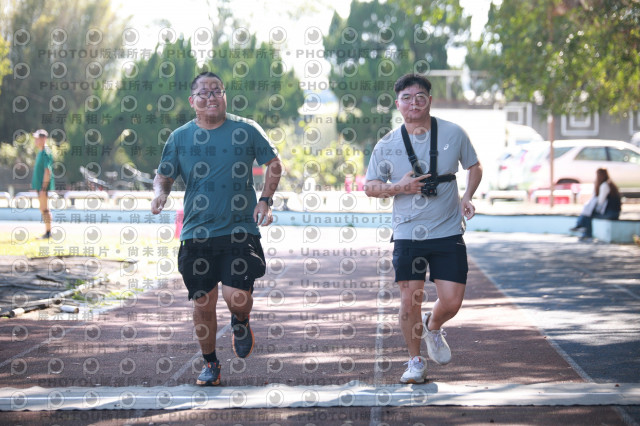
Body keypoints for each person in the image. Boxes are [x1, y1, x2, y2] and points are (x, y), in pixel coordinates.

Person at [151, 71, 282, 386]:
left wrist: (265, 201)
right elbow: (164, 175)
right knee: (203, 302)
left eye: (217, 91)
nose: (211, 97)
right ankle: (210, 363)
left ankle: (241, 320)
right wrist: (160, 194)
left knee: (236, 297)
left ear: (225, 96)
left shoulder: (246, 129)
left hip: (239, 230)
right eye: (204, 92)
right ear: (192, 100)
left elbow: (274, 164)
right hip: (196, 234)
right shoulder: (179, 137)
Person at [364, 73, 482, 384]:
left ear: (429, 100)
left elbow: (474, 166)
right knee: (409, 299)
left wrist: (467, 196)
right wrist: (398, 187)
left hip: (448, 230)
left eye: (420, 97)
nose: (413, 103)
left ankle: (433, 325)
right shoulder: (387, 144)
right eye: (407, 98)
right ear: (397, 104)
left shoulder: (454, 132)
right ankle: (415, 361)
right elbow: (370, 187)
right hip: (408, 233)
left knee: (452, 301)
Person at [570, 168, 621, 239]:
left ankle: (584, 231)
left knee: (589, 214)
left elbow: (600, 201)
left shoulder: (604, 185)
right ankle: (581, 228)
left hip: (611, 213)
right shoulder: (609, 184)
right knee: (588, 213)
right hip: (614, 212)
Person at [32, 129, 54, 239]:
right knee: (42, 208)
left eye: (38, 138)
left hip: (43, 187)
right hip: (40, 187)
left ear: (44, 139)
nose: (35, 140)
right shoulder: (40, 152)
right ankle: (47, 232)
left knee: (45, 209)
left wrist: (43, 188)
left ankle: (48, 232)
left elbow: (47, 171)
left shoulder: (46, 152)